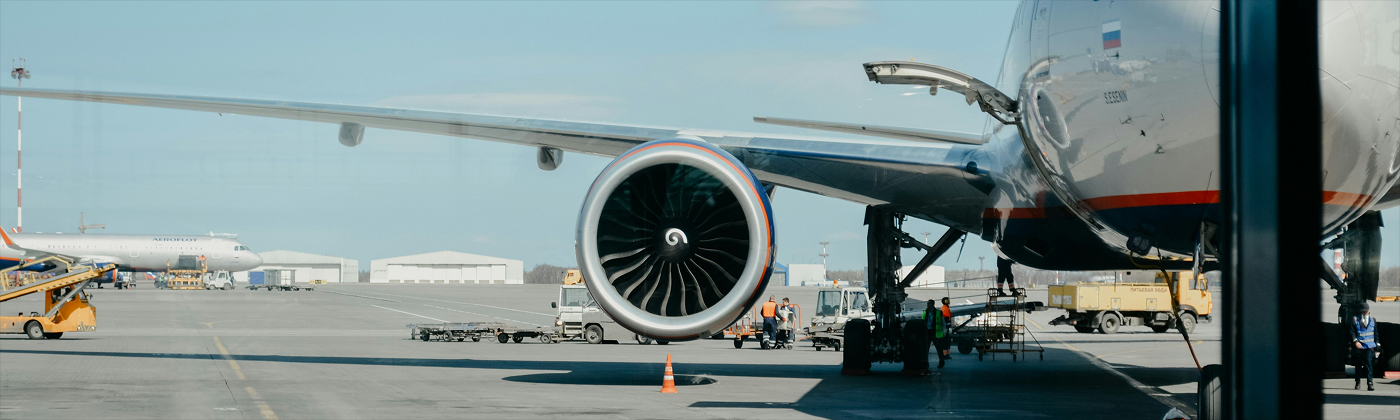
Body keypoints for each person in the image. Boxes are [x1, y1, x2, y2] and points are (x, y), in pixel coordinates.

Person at [1351, 301, 1380, 391]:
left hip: (1370, 346)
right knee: (1358, 364)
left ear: (1369, 311)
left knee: (1369, 364)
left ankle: (1370, 383)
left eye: (1366, 311)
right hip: (1360, 346)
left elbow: (1376, 334)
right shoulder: (1356, 320)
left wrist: (1378, 346)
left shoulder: (1373, 320)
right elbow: (1352, 332)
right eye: (1363, 311)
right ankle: (1357, 382)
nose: (1364, 313)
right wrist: (1355, 341)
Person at [927, 297, 953, 368]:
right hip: (928, 332)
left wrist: (945, 330)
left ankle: (942, 361)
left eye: (929, 304)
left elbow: (943, 322)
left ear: (933, 304)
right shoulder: (925, 312)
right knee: (926, 349)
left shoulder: (939, 312)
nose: (928, 305)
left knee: (939, 348)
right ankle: (926, 363)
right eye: (928, 304)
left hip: (935, 333)